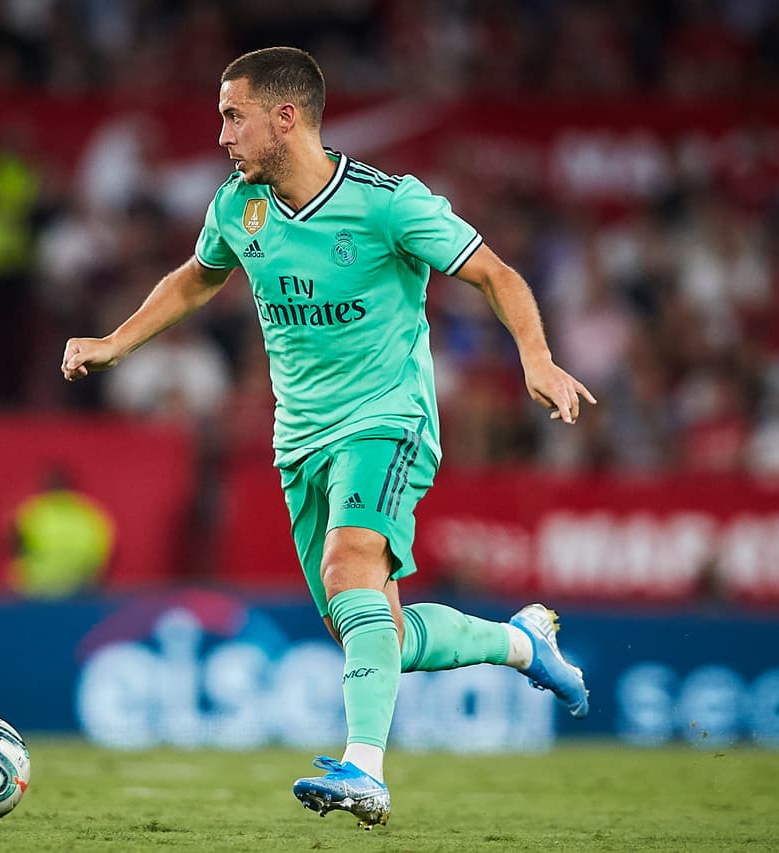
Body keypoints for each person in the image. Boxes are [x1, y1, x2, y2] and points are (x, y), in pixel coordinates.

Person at [61, 46, 595, 829]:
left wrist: (538, 359)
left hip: (388, 420)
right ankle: (522, 642)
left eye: (232, 116)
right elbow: (196, 277)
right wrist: (115, 341)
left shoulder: (389, 204)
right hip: (299, 440)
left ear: (286, 118)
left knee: (351, 567)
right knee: (372, 625)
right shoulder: (237, 207)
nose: (220, 136)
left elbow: (496, 274)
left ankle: (366, 772)